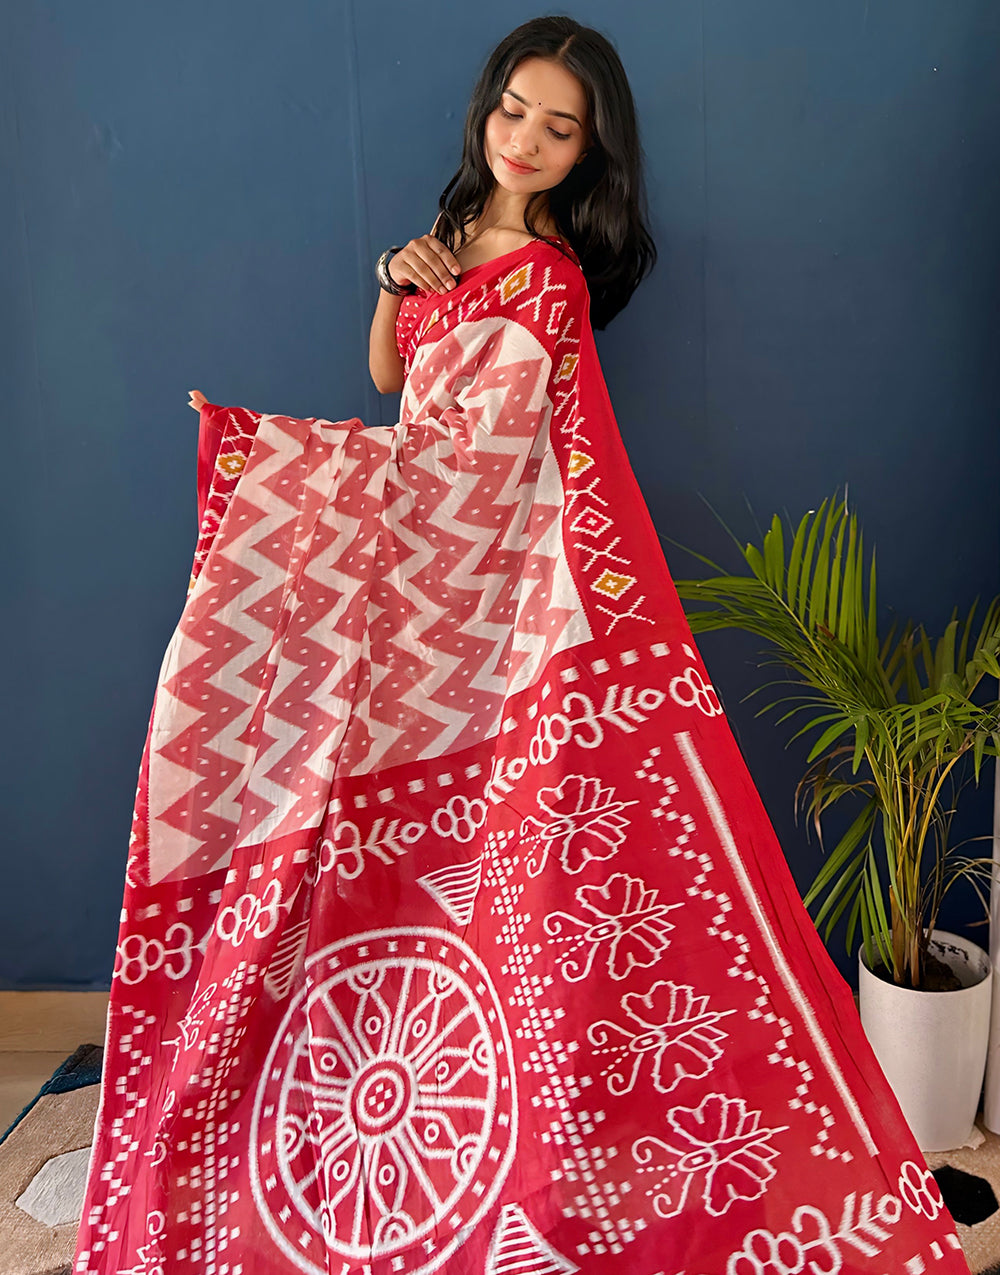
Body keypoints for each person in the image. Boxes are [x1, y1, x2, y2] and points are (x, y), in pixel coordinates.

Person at [75, 15, 970, 1275]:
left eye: (561, 127)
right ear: (485, 114)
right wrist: (398, 283)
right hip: (426, 559)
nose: (530, 140)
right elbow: (393, 382)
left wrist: (275, 456)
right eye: (515, 113)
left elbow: (478, 461)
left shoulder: (547, 283)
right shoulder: (449, 246)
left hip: (485, 585)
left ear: (592, 149)